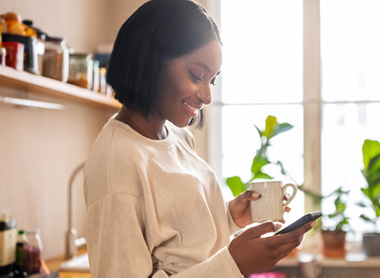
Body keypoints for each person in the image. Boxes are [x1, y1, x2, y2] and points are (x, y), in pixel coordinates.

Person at [83, 0, 316, 277]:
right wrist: (234, 264)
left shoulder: (179, 137)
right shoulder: (117, 161)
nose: (207, 96)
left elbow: (183, 245)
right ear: (151, 59)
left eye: (212, 80)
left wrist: (230, 217)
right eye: (197, 75)